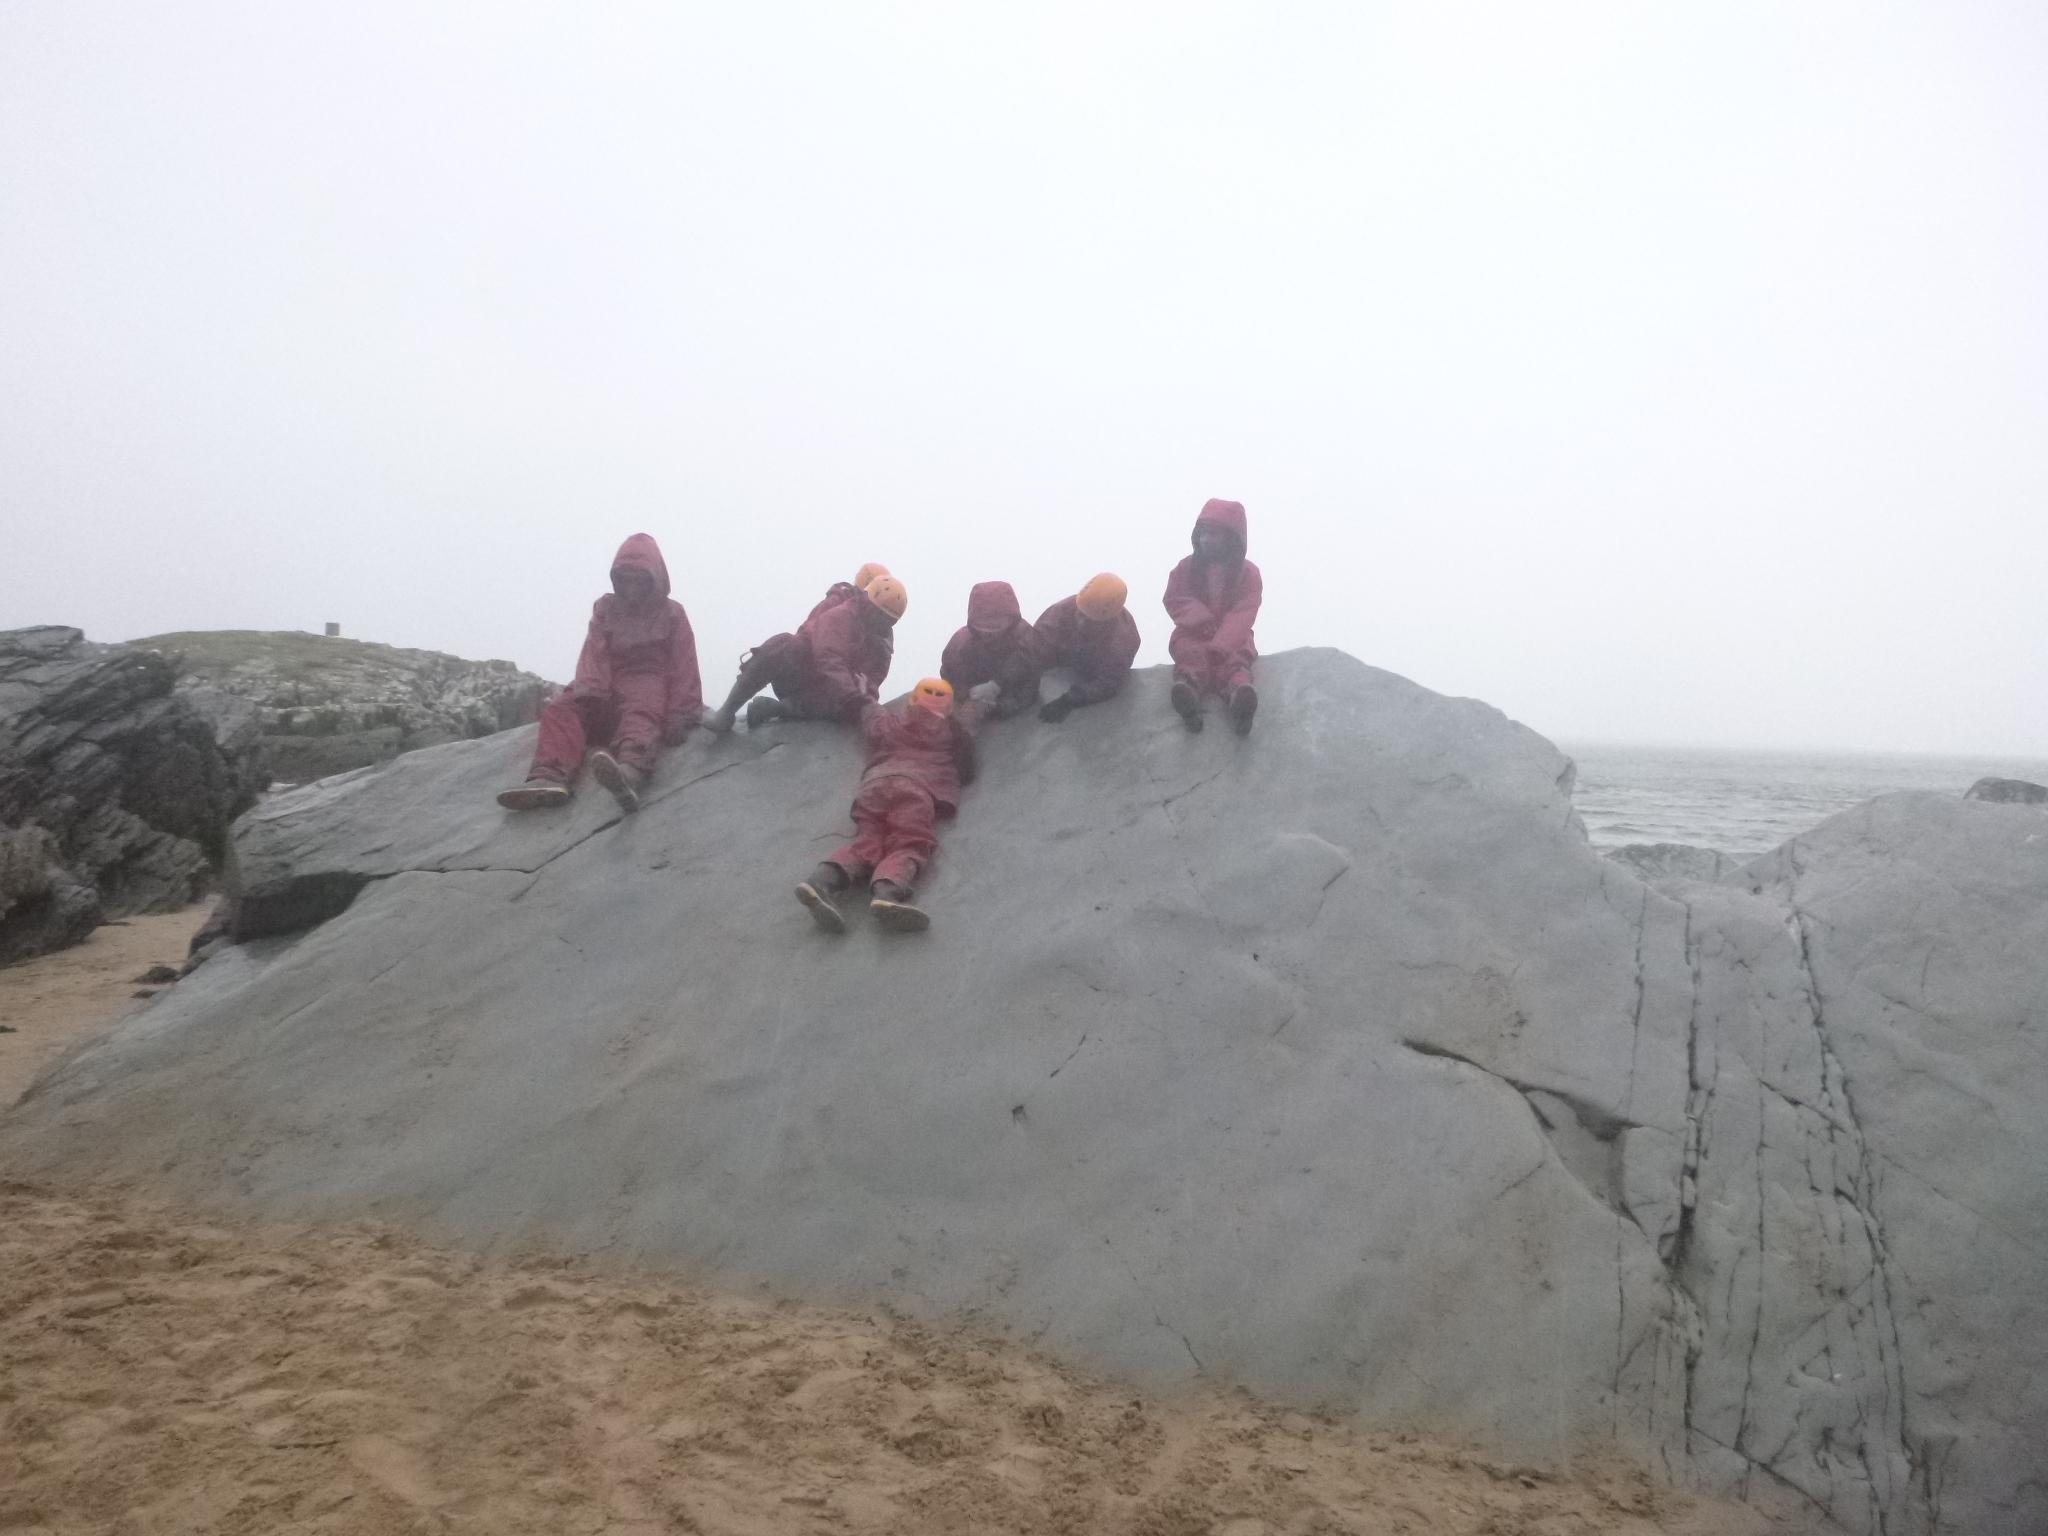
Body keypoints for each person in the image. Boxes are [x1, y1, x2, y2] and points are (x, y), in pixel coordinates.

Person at [497, 533, 701, 814]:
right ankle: (549, 776)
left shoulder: (672, 613)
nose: (631, 585)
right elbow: (594, 650)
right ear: (617, 577)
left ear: (654, 578)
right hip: (605, 683)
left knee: (642, 709)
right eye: (625, 578)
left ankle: (630, 772)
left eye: (639, 579)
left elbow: (684, 662)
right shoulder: (606, 607)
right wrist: (590, 690)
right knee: (563, 708)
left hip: (647, 678)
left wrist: (681, 712)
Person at [794, 678, 978, 935]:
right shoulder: (951, 732)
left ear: (913, 699)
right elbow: (967, 769)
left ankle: (820, 882)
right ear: (948, 707)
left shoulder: (891, 722)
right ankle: (886, 894)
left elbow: (871, 718)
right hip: (916, 788)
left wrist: (865, 696)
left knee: (867, 841)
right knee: (910, 842)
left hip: (874, 786)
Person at [701, 573, 907, 732]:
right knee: (782, 644)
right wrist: (853, 693)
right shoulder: (841, 615)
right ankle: (726, 712)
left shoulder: (882, 647)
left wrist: (864, 696)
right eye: (878, 614)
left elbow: (872, 683)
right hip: (801, 676)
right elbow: (828, 657)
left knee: (850, 704)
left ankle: (779, 709)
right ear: (867, 603)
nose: (881, 621)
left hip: (828, 699)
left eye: (888, 619)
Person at [1162, 498, 1262, 734]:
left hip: (1234, 636)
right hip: (1192, 632)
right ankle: (1188, 695)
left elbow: (1244, 610)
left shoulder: (1248, 573)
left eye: (1214, 534)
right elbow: (1175, 598)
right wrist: (1200, 620)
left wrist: (1223, 643)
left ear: (1231, 537)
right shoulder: (1185, 568)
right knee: (1191, 655)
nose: (1206, 539)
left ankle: (1240, 698)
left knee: (1235, 661)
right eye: (1203, 533)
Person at [1033, 573, 1141, 722]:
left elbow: (1109, 681)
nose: (1081, 621)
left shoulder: (1122, 639)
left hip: (1092, 672)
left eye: (1091, 620)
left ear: (1107, 619)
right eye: (1080, 613)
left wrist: (1070, 699)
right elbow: (1035, 646)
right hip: (1057, 662)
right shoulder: (1062, 610)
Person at [940, 580, 1040, 719]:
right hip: (971, 703)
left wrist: (998, 697)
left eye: (996, 623)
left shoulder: (1026, 638)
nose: (989, 630)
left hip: (1014, 704)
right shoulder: (959, 646)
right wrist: (967, 696)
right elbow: (949, 677)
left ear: (1011, 619)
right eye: (982, 623)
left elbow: (1031, 677)